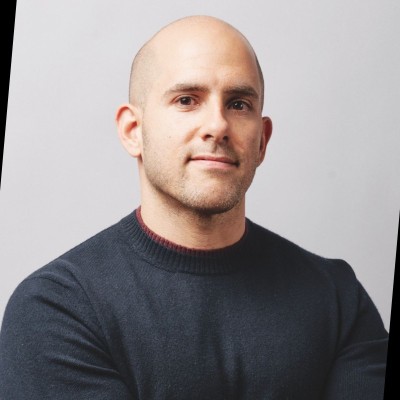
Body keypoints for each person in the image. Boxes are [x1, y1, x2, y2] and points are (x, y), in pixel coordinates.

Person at [0, 15, 388, 400]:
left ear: (262, 141)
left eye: (239, 104)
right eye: (186, 100)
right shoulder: (57, 308)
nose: (217, 125)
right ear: (134, 131)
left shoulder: (338, 298)